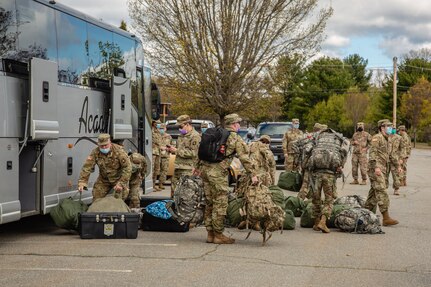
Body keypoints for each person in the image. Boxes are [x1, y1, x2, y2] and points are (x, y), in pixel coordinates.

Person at [197, 113, 258, 244]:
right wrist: (253, 174)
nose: (239, 126)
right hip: (218, 174)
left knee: (209, 202)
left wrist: (197, 168)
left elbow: (200, 151)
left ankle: (210, 233)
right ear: (235, 124)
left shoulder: (215, 134)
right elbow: (244, 158)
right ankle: (218, 235)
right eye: (239, 123)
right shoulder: (235, 137)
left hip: (205, 171)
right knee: (220, 202)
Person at [309, 128, 349, 233]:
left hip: (316, 174)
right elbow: (343, 154)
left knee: (316, 198)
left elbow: (308, 155)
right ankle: (323, 222)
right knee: (329, 200)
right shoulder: (338, 139)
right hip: (330, 175)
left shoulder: (318, 138)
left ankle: (316, 222)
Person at [364, 119, 400, 226]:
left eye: (391, 126)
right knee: (382, 191)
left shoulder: (388, 139)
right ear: (382, 128)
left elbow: (391, 155)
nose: (390, 128)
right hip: (376, 169)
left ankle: (365, 213)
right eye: (388, 126)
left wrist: (398, 166)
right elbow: (372, 154)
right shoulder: (377, 138)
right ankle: (386, 218)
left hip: (383, 169)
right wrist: (376, 167)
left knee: (374, 193)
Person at [78, 134, 132, 200]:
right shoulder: (95, 152)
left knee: (118, 199)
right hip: (103, 180)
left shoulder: (119, 151)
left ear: (110, 143)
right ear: (98, 144)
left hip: (118, 179)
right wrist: (82, 183)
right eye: (101, 146)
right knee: (96, 196)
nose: (104, 147)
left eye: (106, 145)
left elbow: (127, 168)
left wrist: (121, 183)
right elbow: (87, 167)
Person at [167, 115, 201, 197]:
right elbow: (180, 151)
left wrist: (177, 151)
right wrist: (172, 150)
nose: (180, 128)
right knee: (174, 192)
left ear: (188, 124)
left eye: (181, 126)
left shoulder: (195, 136)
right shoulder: (181, 136)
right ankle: (173, 208)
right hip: (178, 167)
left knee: (186, 194)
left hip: (188, 169)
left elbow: (194, 153)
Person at [297, 123, 322, 200]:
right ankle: (310, 201)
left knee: (306, 184)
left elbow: (301, 148)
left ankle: (299, 201)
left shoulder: (308, 137)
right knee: (313, 185)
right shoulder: (319, 138)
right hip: (317, 165)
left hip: (308, 164)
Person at [387, 127, 405, 196]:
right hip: (386, 159)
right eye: (391, 128)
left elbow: (403, 148)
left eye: (394, 128)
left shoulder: (399, 138)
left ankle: (396, 189)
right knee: (385, 175)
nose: (392, 130)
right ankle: (384, 189)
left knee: (396, 175)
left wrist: (401, 158)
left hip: (395, 159)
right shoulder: (385, 137)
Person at [158, 123, 172, 190]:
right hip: (157, 155)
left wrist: (167, 148)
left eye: (163, 128)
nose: (161, 130)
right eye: (160, 128)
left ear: (165, 129)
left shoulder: (169, 137)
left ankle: (161, 183)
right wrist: (160, 147)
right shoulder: (156, 136)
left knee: (164, 170)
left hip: (165, 156)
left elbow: (172, 146)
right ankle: (153, 184)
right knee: (156, 170)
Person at [152, 120, 162, 191]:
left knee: (156, 169)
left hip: (158, 151)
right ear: (154, 123)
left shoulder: (157, 131)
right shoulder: (151, 130)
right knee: (152, 169)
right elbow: (156, 141)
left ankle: (154, 184)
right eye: (157, 123)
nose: (158, 124)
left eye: (159, 123)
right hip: (153, 152)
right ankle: (150, 186)